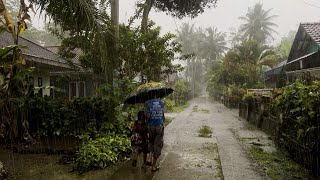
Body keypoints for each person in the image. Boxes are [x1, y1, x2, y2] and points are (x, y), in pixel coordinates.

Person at [144, 93, 165, 172]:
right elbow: (162, 116)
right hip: (159, 126)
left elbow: (147, 116)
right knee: (158, 145)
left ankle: (149, 158)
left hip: (151, 126)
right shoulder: (161, 102)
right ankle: (153, 166)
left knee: (151, 142)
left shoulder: (147, 103)